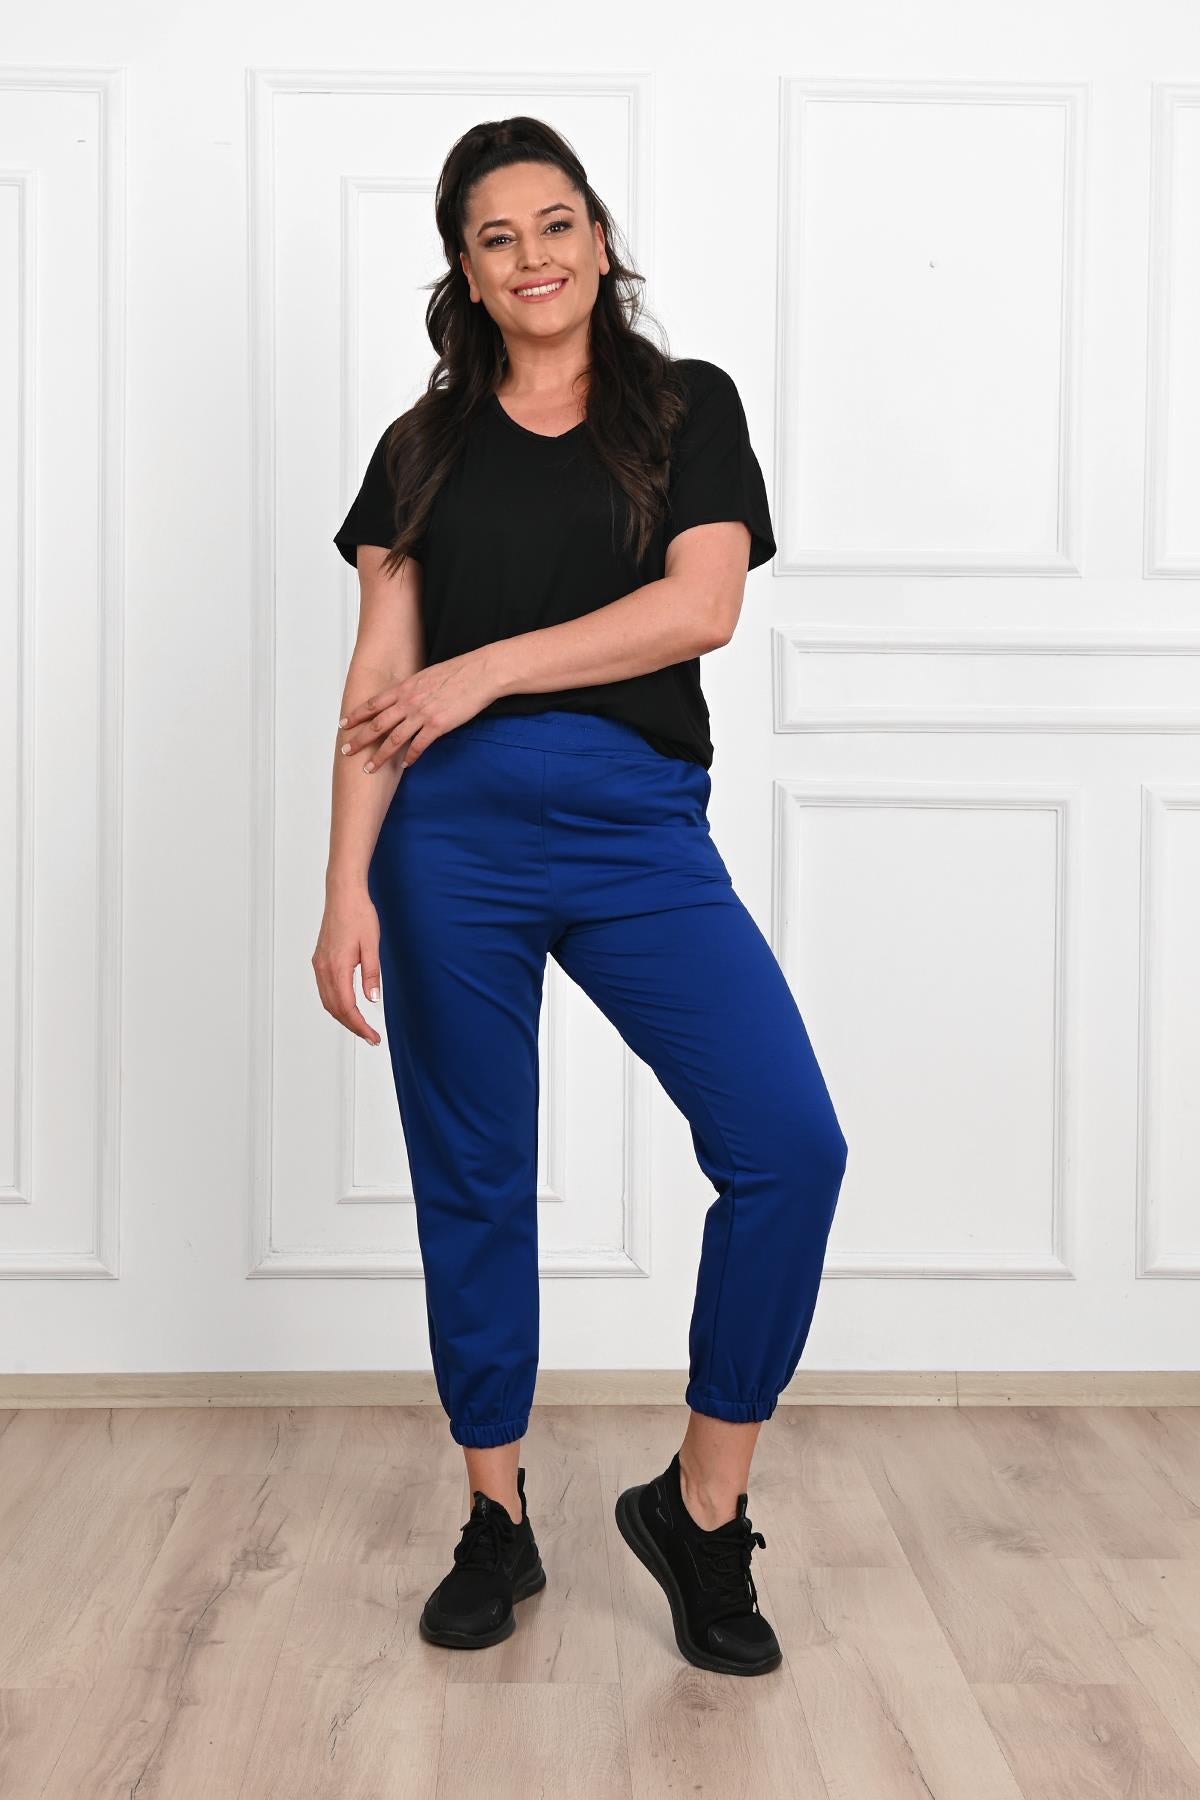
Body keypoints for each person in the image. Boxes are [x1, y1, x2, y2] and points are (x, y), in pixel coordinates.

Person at [317, 116, 849, 1678]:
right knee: (473, 1174)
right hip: (447, 844)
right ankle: (496, 1514)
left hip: (635, 833)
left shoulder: (686, 408)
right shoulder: (419, 450)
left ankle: (702, 1507)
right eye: (498, 236)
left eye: (557, 223)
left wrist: (483, 668)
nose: (534, 256)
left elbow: (701, 607)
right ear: (466, 270)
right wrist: (342, 883)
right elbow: (379, 677)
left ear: (600, 239)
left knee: (788, 1146)